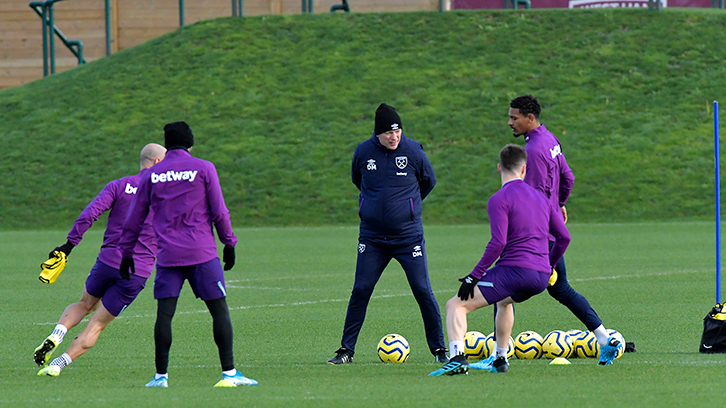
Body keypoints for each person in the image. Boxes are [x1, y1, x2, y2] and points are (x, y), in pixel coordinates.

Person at [118, 121, 257, 388]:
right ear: (190, 144)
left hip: (169, 256)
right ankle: (229, 374)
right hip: (202, 252)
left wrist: (126, 253)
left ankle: (160, 377)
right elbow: (219, 210)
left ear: (167, 145)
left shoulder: (152, 175)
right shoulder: (204, 168)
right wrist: (229, 242)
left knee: (165, 314)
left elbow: (134, 218)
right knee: (219, 311)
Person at [493, 94, 621, 366]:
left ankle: (499, 358)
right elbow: (568, 176)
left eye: (514, 117)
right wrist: (559, 204)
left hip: (538, 236)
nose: (509, 122)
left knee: (501, 290)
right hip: (551, 232)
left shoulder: (535, 152)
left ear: (530, 118)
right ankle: (603, 339)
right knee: (561, 288)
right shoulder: (549, 141)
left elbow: (533, 197)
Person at [430, 144, 570, 376]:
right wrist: (550, 265)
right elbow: (564, 237)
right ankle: (500, 359)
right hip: (541, 277)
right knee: (504, 302)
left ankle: (456, 359)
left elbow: (498, 243)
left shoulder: (499, 199)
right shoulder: (542, 199)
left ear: (499, 168)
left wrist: (473, 276)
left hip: (515, 271)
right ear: (524, 169)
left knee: (455, 305)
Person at [327, 103, 448, 365]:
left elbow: (429, 181)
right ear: (377, 134)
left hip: (408, 237)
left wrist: (409, 207)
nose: (394, 137)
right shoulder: (363, 152)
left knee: (422, 290)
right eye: (388, 133)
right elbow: (357, 180)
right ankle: (346, 351)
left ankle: (439, 350)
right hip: (372, 239)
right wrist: (372, 208)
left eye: (398, 131)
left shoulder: (413, 151)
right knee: (361, 289)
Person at [34, 143, 166, 377]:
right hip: (137, 271)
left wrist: (69, 245)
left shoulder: (119, 185)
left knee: (85, 304)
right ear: (157, 162)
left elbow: (89, 214)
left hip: (108, 261)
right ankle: (58, 365)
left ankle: (57, 333)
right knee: (97, 323)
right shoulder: (167, 193)